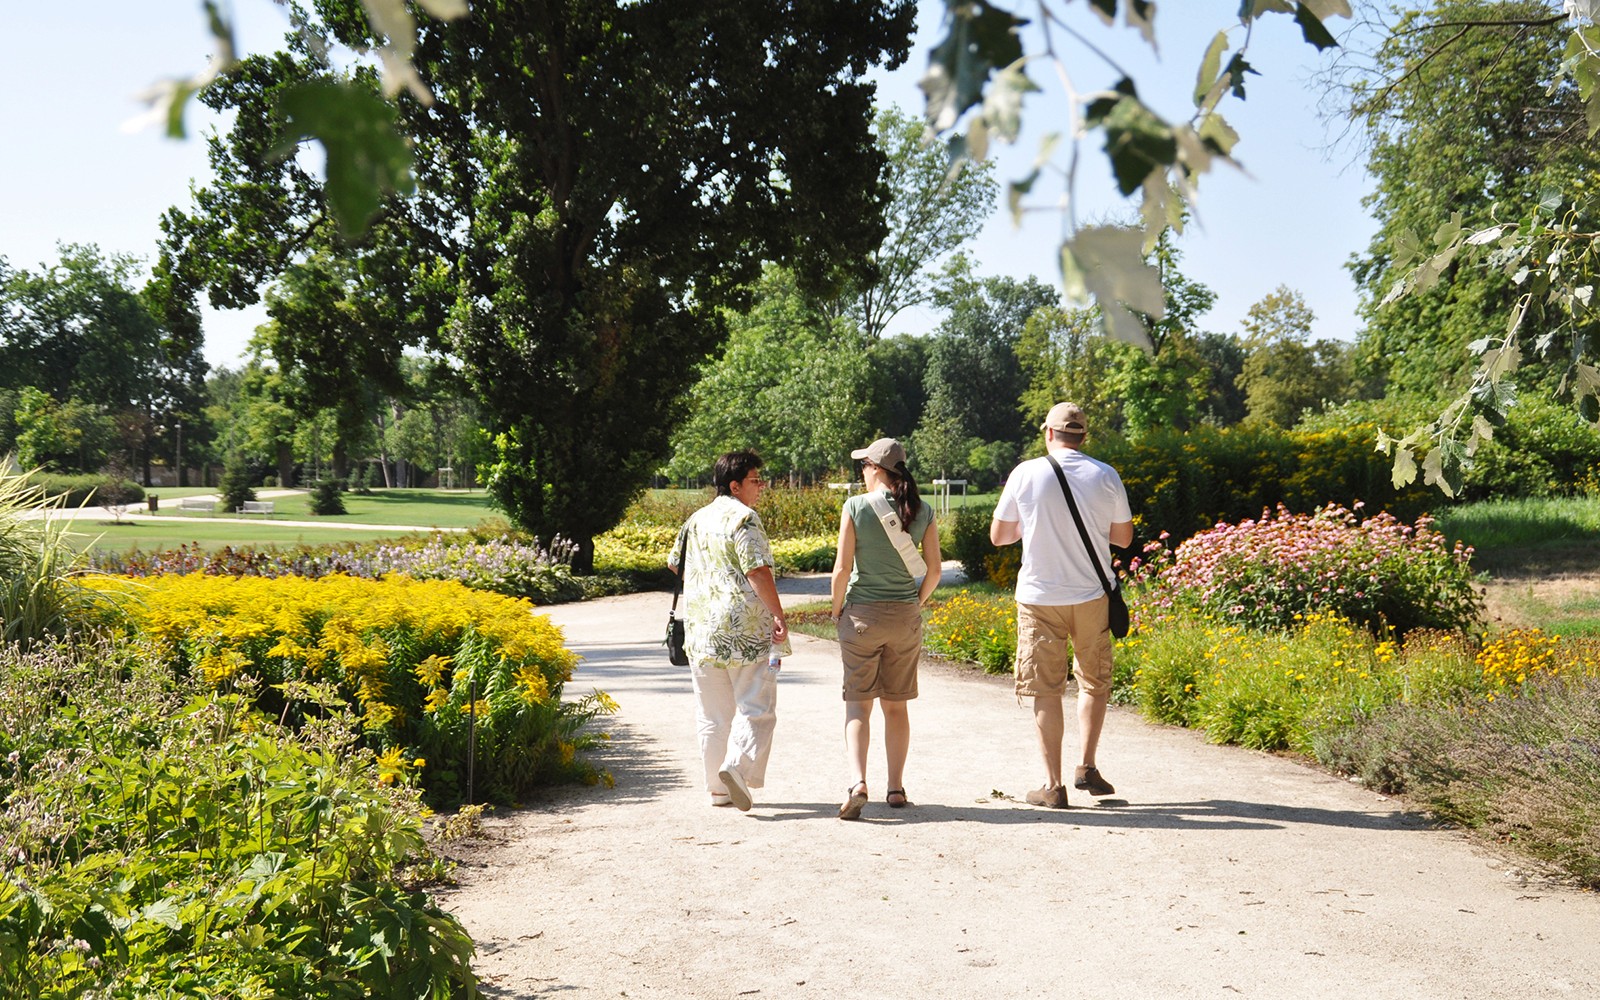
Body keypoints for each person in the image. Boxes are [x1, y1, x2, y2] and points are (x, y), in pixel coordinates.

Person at [990, 403, 1132, 809]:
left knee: (1045, 689)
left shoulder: (1025, 473)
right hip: (1091, 595)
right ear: (1083, 436)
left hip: (1039, 598)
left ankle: (1052, 785)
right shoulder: (1105, 474)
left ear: (1047, 433)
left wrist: (1033, 524)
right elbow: (1122, 537)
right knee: (1093, 680)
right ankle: (1086, 765)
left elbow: (999, 536)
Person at [668, 450, 790, 812]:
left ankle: (717, 790)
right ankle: (735, 770)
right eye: (755, 480)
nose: (761, 487)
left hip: (701, 630)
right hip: (745, 631)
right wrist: (778, 614)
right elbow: (757, 571)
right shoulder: (745, 518)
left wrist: (709, 582)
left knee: (712, 715)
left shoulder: (696, 519)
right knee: (758, 708)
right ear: (735, 485)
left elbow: (675, 563)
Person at [830, 437, 941, 820]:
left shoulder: (856, 506)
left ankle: (858, 782)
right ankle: (896, 788)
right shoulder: (922, 509)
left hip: (862, 616)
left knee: (859, 705)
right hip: (905, 618)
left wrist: (835, 609)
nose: (861, 472)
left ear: (876, 469)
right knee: (896, 707)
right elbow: (936, 570)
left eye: (863, 466)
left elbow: (842, 569)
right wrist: (916, 603)